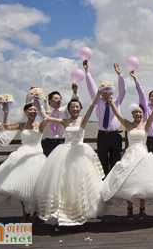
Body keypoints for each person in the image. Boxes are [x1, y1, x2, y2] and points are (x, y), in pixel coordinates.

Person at [35, 92, 105, 226]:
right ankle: (62, 212)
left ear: (80, 108)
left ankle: (82, 211)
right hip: (65, 154)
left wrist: (98, 94)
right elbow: (45, 116)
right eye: (72, 107)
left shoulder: (83, 120)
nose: (75, 109)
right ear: (69, 109)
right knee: (63, 183)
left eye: (77, 107)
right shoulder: (65, 121)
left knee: (82, 183)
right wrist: (38, 101)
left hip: (80, 155)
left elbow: (92, 106)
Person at [100, 98, 153, 219]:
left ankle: (142, 210)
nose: (138, 114)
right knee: (129, 182)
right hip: (130, 155)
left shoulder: (146, 124)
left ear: (143, 114)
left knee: (143, 182)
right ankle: (129, 209)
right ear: (132, 114)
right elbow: (117, 114)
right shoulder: (128, 124)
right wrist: (110, 102)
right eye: (136, 113)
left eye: (140, 113)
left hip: (143, 156)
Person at [0, 102, 47, 220]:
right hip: (22, 155)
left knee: (36, 185)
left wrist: (40, 103)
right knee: (21, 185)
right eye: (30, 109)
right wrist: (2, 116)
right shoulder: (21, 125)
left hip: (37, 155)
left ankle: (34, 211)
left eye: (35, 110)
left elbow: (47, 118)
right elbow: (5, 127)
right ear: (25, 112)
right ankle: (25, 212)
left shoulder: (40, 124)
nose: (33, 111)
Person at [83, 60, 127, 174]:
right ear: (101, 93)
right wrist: (87, 72)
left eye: (109, 92)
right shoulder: (98, 102)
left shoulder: (116, 102)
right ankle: (103, 183)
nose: (107, 94)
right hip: (102, 135)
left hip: (115, 135)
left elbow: (123, 90)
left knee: (116, 160)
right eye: (104, 92)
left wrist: (119, 75)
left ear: (112, 93)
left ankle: (114, 183)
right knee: (102, 159)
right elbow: (91, 88)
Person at [40, 84, 79, 157]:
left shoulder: (65, 110)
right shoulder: (44, 110)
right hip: (48, 143)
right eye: (56, 99)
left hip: (62, 142)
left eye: (60, 98)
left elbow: (73, 101)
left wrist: (75, 91)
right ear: (50, 100)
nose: (59, 100)